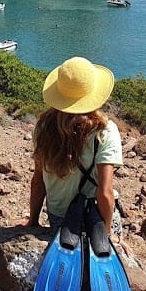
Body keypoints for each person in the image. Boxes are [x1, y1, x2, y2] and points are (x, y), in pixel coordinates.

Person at [26, 56, 123, 236]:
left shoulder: (43, 127)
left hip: (59, 221)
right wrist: (107, 236)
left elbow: (38, 181)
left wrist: (32, 222)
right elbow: (105, 193)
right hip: (95, 220)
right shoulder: (105, 131)